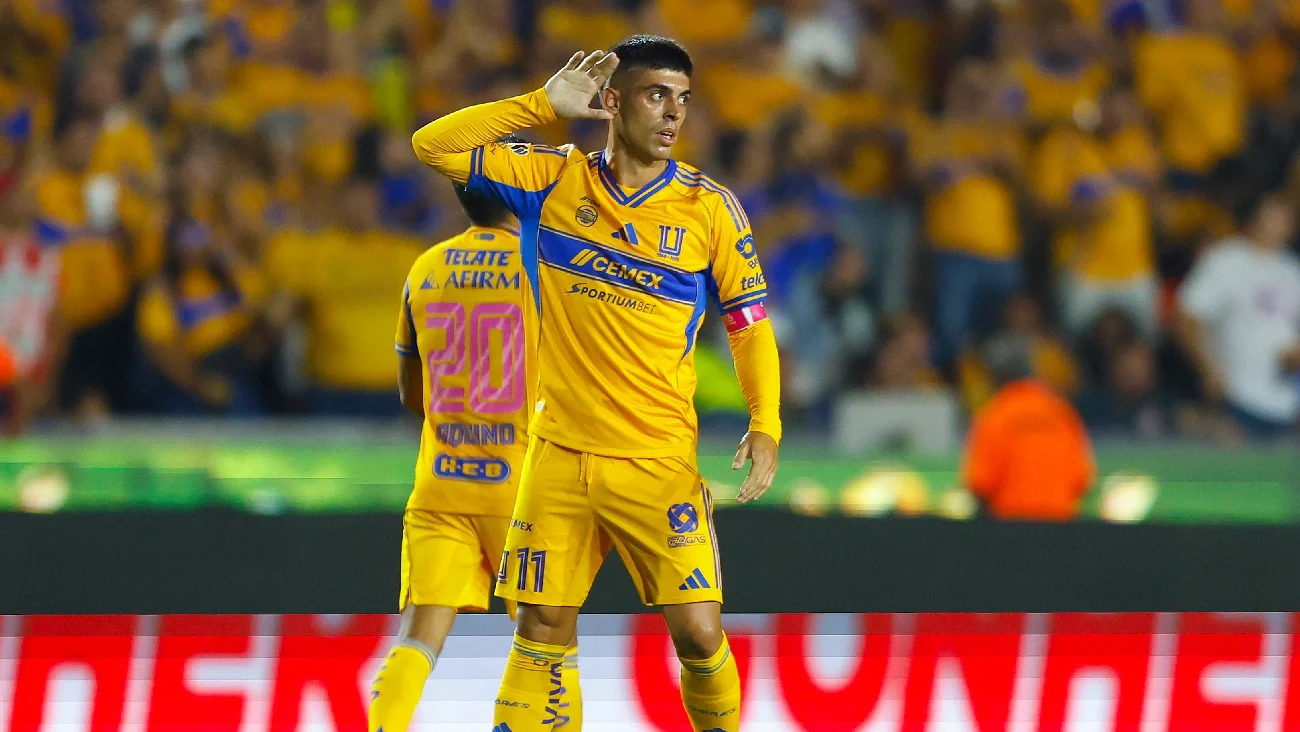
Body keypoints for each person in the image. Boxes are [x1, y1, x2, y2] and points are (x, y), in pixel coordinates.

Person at [411, 36, 782, 732]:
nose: (672, 113)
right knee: (541, 624)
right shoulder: (551, 180)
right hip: (559, 450)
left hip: (656, 458)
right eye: (655, 94)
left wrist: (766, 421)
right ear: (612, 101)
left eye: (682, 99)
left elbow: (749, 324)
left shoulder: (710, 209)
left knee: (699, 633)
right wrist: (539, 105)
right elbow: (432, 145)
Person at [370, 160, 582, 732]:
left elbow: (413, 395)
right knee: (549, 647)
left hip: (443, 482)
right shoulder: (545, 267)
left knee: (418, 637)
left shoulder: (425, 267)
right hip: (524, 491)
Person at [1177, 193, 1300, 439]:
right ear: (1255, 218)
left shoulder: (1293, 271)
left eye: (1286, 218)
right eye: (1274, 215)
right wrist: (1208, 369)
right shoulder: (1227, 260)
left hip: (1286, 402)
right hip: (1237, 395)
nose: (1280, 224)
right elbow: (1188, 317)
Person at [963, 334, 1095, 521]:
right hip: (1060, 525)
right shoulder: (1061, 413)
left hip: (1010, 527)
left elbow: (980, 484)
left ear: (994, 376)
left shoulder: (993, 416)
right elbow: (1082, 480)